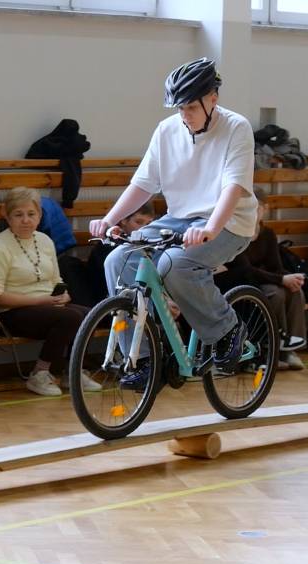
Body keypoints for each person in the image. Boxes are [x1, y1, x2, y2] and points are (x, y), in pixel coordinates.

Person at [91, 57, 258, 381]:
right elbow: (143, 183)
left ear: (213, 99)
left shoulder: (236, 127)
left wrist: (210, 227)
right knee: (118, 261)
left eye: (191, 108)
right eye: (180, 108)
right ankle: (142, 360)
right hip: (179, 218)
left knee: (176, 264)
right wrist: (110, 218)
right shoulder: (167, 130)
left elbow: (233, 186)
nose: (184, 116)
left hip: (229, 222)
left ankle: (227, 331)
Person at [0, 187, 103, 397]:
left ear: (39, 215)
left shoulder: (45, 241)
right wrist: (39, 301)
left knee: (90, 313)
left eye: (31, 214)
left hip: (47, 305)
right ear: (8, 217)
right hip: (13, 311)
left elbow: (56, 279)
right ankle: (40, 373)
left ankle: (72, 371)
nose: (26, 220)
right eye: (18, 215)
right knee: (70, 317)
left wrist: (64, 294)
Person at [215, 188, 307, 370]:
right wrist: (281, 280)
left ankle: (289, 350)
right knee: (277, 294)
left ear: (264, 209)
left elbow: (275, 267)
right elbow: (246, 269)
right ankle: (271, 347)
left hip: (263, 280)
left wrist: (289, 278)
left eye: (256, 208)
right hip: (244, 283)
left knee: (296, 291)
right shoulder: (236, 234)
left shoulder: (268, 234)